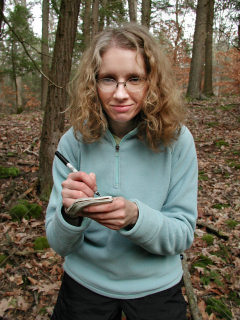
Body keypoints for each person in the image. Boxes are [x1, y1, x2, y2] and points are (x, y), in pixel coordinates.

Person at [46, 23, 198, 320]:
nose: (120, 93)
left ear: (151, 82)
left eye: (134, 79)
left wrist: (136, 217)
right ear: (93, 83)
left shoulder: (177, 141)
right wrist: (70, 214)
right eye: (108, 79)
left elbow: (182, 235)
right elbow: (58, 243)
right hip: (84, 288)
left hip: (157, 291)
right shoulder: (73, 142)